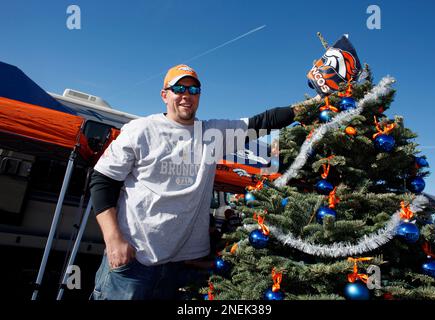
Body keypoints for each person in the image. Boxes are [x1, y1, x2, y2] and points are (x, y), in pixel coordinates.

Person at [89, 64, 317, 300]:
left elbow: (263, 122)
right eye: (179, 88)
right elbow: (102, 180)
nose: (186, 95)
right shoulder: (142, 130)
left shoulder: (212, 135)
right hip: (134, 262)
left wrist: (315, 104)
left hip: (179, 267)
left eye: (194, 90)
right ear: (164, 95)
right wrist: (113, 239)